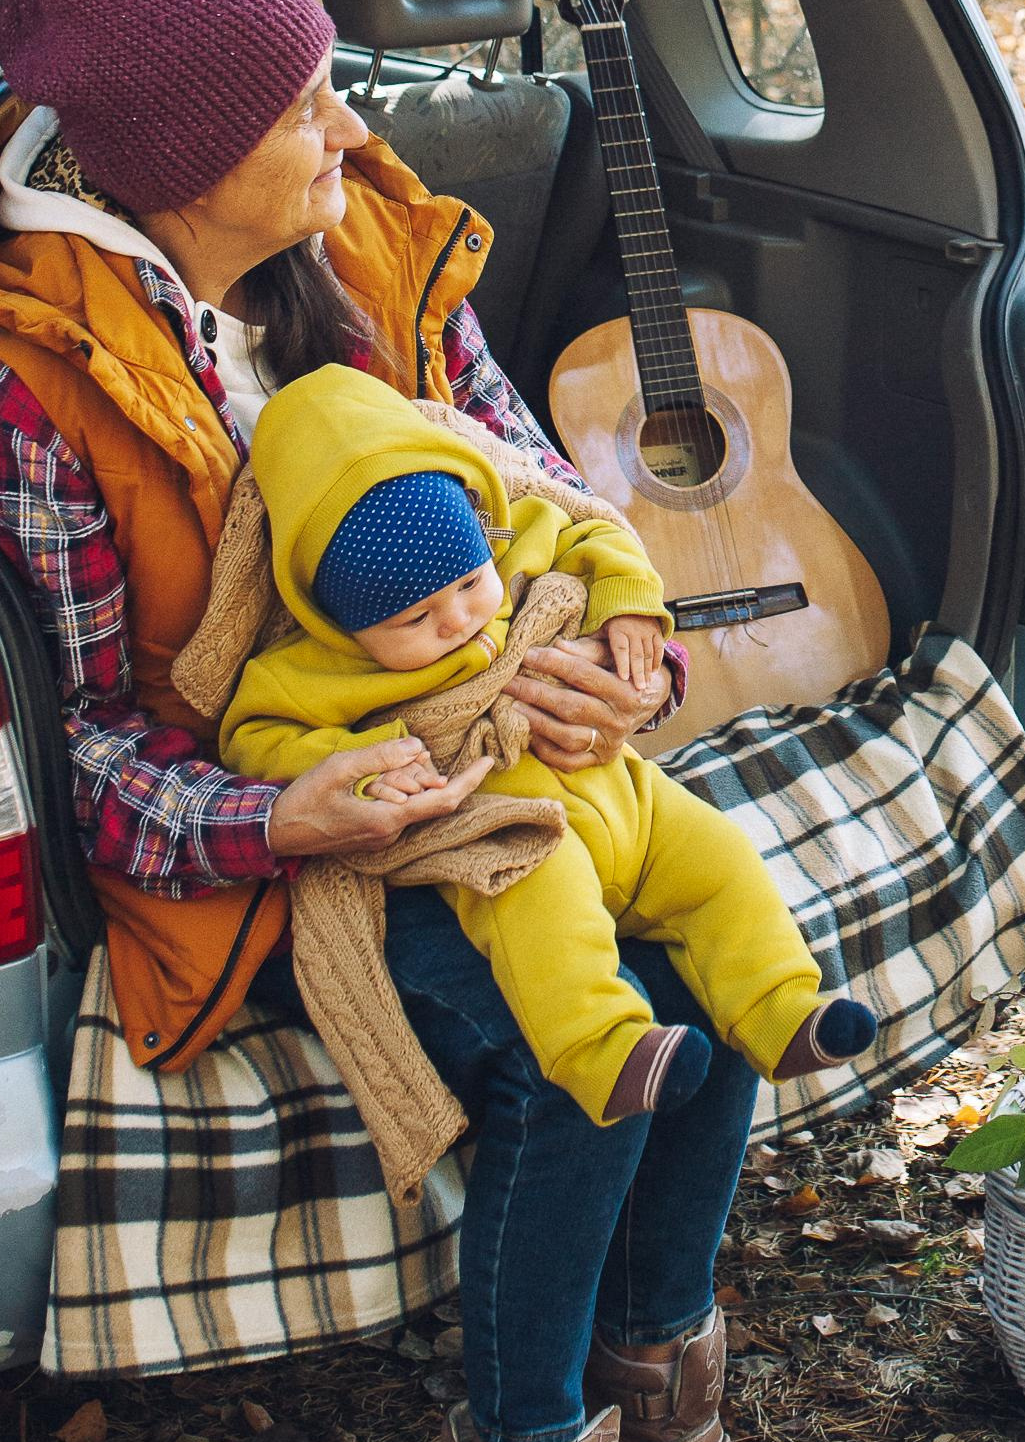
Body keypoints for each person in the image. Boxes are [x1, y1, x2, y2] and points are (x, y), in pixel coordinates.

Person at [0, 0, 834, 1442]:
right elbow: (71, 737)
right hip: (286, 838)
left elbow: (546, 474)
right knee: (576, 1066)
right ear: (177, 163)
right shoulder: (19, 405)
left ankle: (661, 1406)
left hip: (521, 766)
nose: (355, 132)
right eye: (309, 107)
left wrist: (627, 637)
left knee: (711, 1013)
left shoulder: (371, 253)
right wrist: (287, 818)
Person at [222, 363, 877, 1126]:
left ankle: (781, 1007)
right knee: (540, 911)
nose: (456, 619)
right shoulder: (309, 670)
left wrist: (631, 609)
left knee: (718, 859)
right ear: (340, 624)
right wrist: (362, 770)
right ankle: (602, 1050)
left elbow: (597, 531)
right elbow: (255, 740)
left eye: (469, 584)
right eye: (413, 619)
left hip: (624, 794)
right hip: (507, 822)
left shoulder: (519, 543)